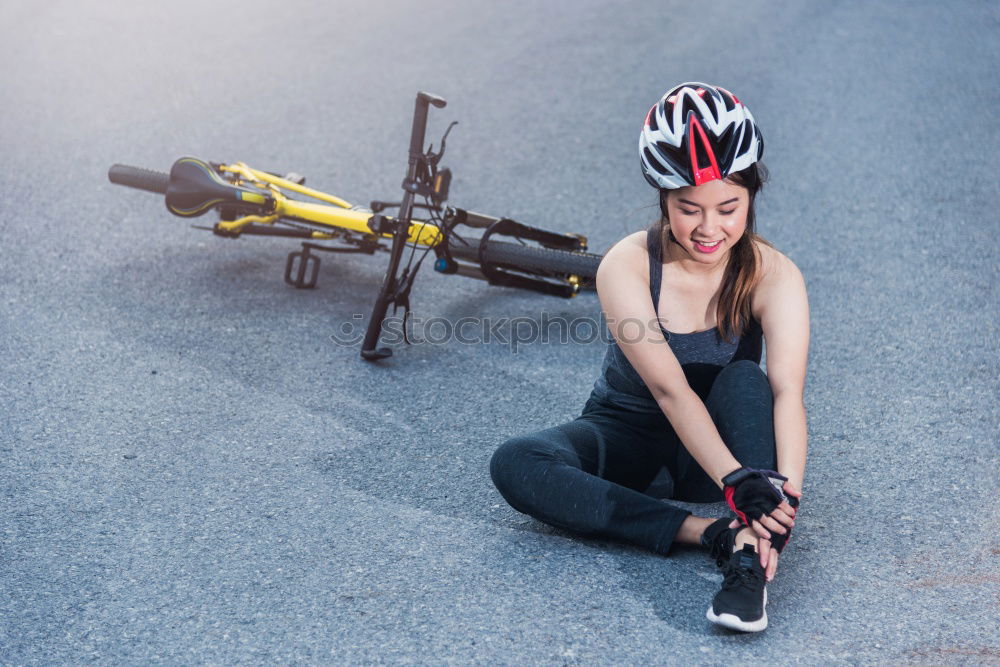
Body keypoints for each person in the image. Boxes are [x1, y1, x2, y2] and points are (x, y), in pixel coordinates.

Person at [489, 82, 809, 632]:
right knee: (515, 462)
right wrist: (736, 486)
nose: (710, 229)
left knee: (746, 379)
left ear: (752, 196)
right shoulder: (628, 263)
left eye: (728, 207)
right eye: (689, 209)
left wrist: (780, 496)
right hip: (629, 432)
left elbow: (787, 395)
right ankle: (712, 534)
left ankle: (748, 561)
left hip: (715, 452)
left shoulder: (772, 273)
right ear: (663, 199)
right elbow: (669, 390)